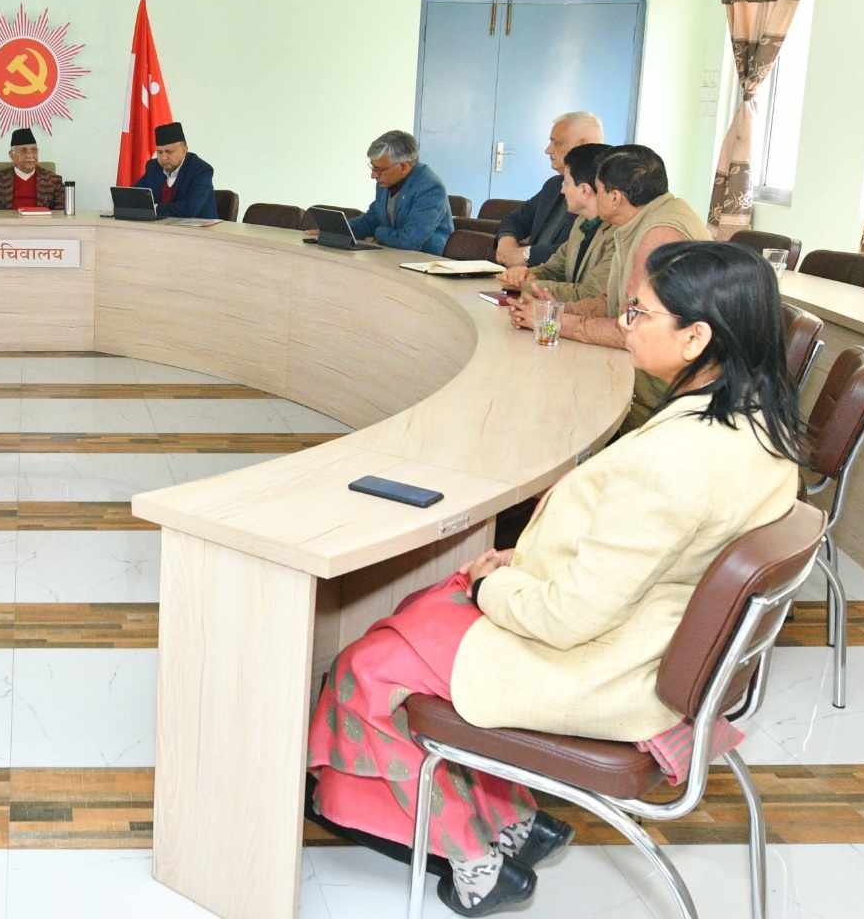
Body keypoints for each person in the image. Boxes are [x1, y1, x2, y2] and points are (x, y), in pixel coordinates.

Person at [308, 240, 809, 915]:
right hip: (641, 636)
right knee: (418, 618)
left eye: (639, 313)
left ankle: (475, 857)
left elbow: (569, 617)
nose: (625, 324)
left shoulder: (676, 462)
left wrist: (492, 586)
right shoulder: (761, 428)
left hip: (602, 662)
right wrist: (518, 569)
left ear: (696, 337)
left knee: (366, 668)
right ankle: (512, 818)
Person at [509, 145, 712, 430]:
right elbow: (611, 301)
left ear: (615, 198)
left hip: (659, 401)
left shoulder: (658, 235)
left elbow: (632, 327)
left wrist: (554, 322)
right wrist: (552, 310)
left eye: (599, 189)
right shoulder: (638, 221)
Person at [498, 142, 612, 304]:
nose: (562, 190)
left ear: (584, 190)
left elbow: (589, 294)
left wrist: (526, 285)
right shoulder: (582, 223)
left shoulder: (616, 235)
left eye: (566, 183)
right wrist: (526, 274)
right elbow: (554, 269)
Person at [495, 111, 606, 269]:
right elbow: (515, 219)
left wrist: (527, 254)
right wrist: (506, 243)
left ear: (583, 146)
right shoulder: (554, 185)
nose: (547, 150)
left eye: (557, 143)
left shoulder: (606, 194)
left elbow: (581, 251)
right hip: (529, 276)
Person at [349, 130, 454, 254]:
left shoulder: (431, 188)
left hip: (424, 260)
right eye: (373, 167)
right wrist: (339, 229)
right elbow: (372, 219)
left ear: (404, 167)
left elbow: (409, 241)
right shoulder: (386, 182)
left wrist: (378, 232)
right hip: (393, 253)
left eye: (378, 169)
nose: (373, 175)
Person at [132, 121, 216, 219]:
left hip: (198, 227)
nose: (164, 158)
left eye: (169, 152)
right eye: (159, 152)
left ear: (184, 150)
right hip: (161, 226)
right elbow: (135, 196)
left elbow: (189, 210)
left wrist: (154, 208)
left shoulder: (201, 170)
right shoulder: (153, 167)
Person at [0, 127, 65, 210]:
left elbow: (61, 214)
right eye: (23, 151)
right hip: (8, 219)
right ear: (12, 155)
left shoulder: (54, 180)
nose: (30, 155)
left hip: (41, 219)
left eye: (34, 150)